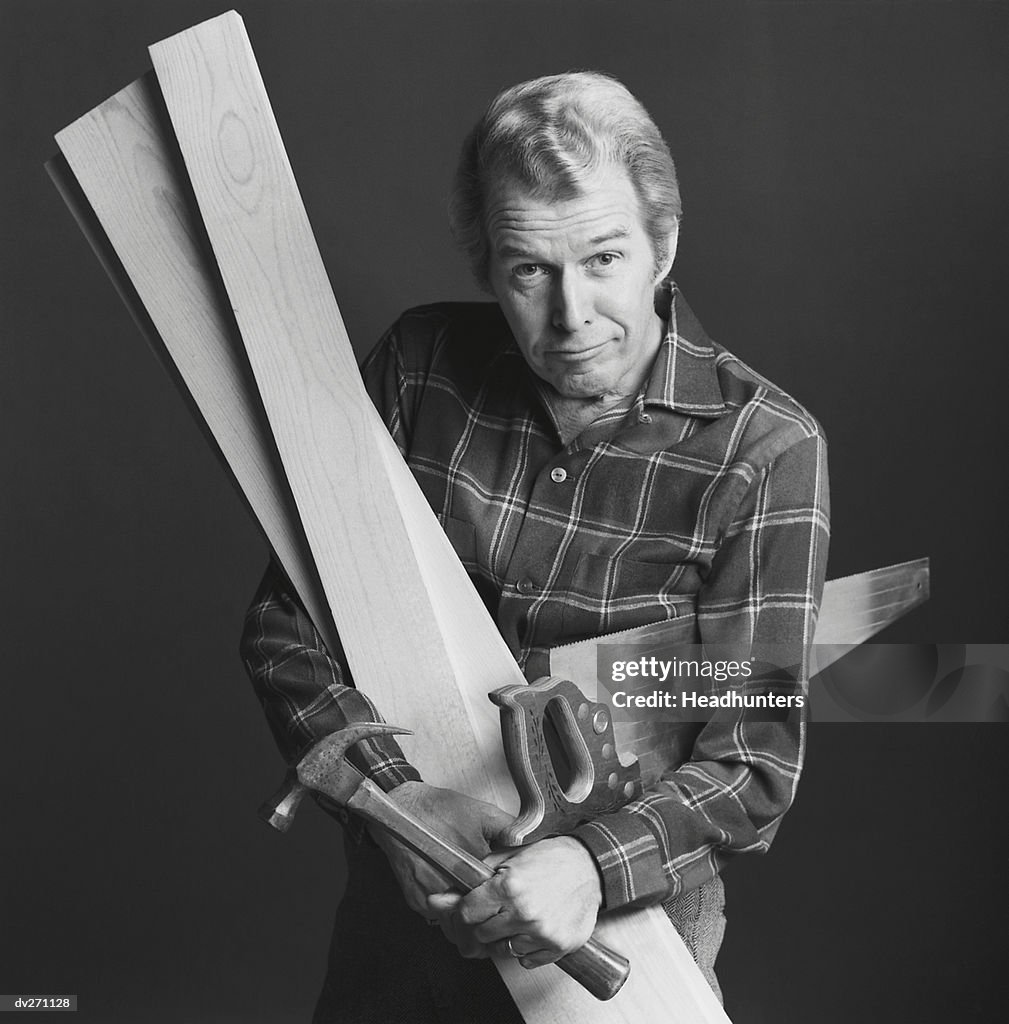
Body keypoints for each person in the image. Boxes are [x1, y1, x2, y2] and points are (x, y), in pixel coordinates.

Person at [242, 71, 829, 1023]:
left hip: (625, 931)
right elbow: (285, 632)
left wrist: (591, 866)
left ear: (661, 246)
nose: (570, 315)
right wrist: (398, 804)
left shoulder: (763, 450)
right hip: (409, 906)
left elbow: (750, 761)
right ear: (487, 266)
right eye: (529, 271)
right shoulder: (417, 369)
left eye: (602, 259)